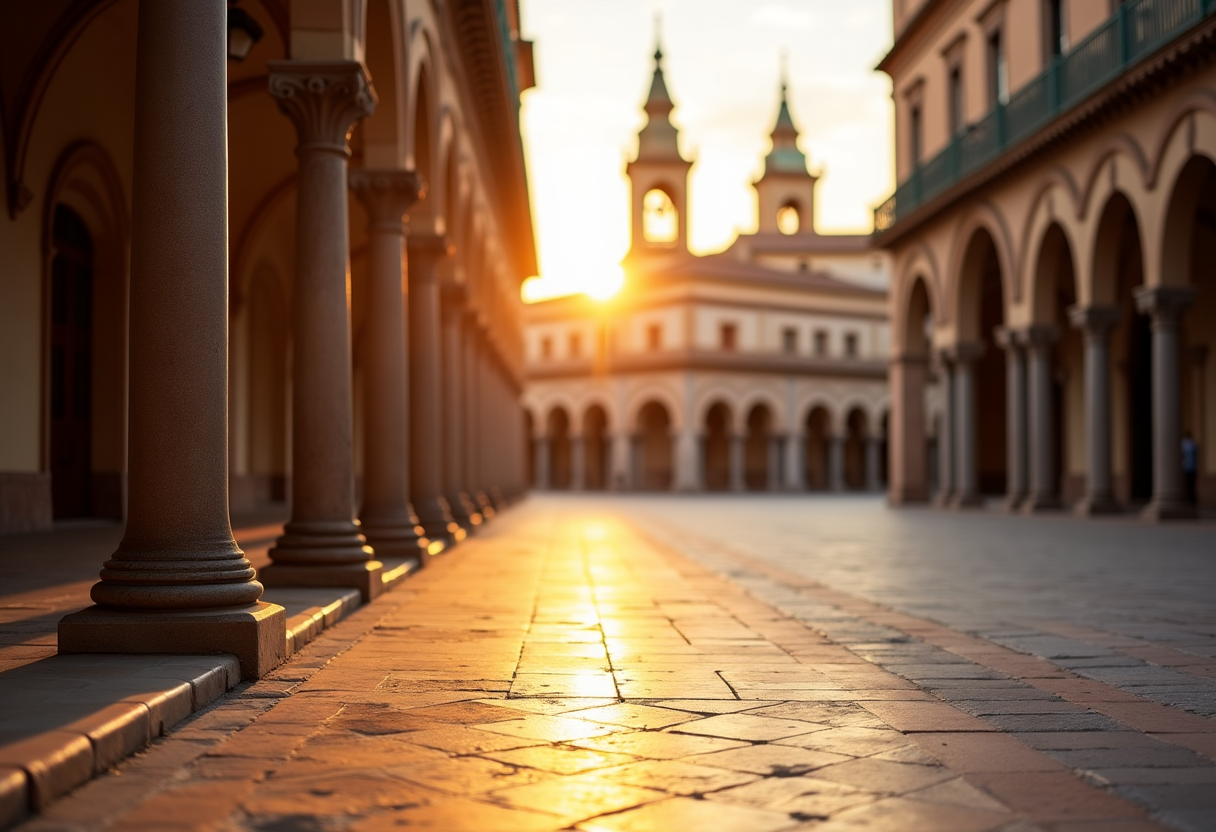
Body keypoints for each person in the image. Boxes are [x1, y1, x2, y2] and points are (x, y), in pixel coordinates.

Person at [1181, 430, 1198, 505]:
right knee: (1192, 484)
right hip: (1193, 467)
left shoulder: (1183, 444)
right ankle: (1192, 499)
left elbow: (1182, 455)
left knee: (1187, 484)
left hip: (1186, 467)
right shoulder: (1193, 443)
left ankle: (1187, 499)